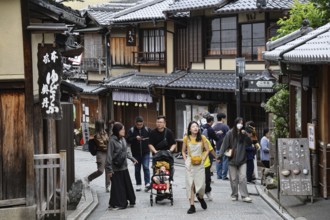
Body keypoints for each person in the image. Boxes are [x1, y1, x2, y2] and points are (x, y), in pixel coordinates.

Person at [218, 117, 252, 203]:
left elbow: (249, 143)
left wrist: (246, 135)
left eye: (242, 123)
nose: (240, 124)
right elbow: (224, 144)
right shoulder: (230, 133)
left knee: (243, 178)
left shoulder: (243, 134)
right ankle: (234, 194)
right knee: (233, 179)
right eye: (239, 123)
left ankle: (244, 196)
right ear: (235, 123)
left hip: (242, 159)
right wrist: (220, 156)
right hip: (232, 159)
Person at [106, 122, 138, 210]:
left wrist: (132, 158)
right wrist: (109, 170)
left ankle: (129, 200)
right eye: (122, 129)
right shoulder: (112, 141)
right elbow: (109, 156)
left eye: (124, 129)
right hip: (115, 167)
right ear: (117, 131)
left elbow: (126, 151)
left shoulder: (123, 139)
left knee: (126, 184)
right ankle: (118, 203)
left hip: (123, 166)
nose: (124, 131)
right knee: (117, 187)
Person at [182, 121, 209, 214]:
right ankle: (192, 206)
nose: (195, 128)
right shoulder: (186, 138)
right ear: (190, 129)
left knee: (201, 186)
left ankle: (200, 197)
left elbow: (207, 150)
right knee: (190, 184)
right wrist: (186, 160)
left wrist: (203, 159)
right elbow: (183, 151)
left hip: (200, 163)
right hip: (190, 163)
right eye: (193, 126)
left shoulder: (202, 138)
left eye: (196, 126)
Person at [84, 119, 111, 192]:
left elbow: (108, 142)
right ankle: (88, 178)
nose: (104, 126)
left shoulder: (105, 132)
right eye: (102, 124)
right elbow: (102, 145)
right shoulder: (96, 135)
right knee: (100, 171)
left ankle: (108, 186)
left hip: (107, 152)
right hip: (100, 153)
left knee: (108, 169)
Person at [126, 116, 151, 192]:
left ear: (143, 123)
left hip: (146, 152)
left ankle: (147, 183)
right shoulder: (132, 130)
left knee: (146, 167)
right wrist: (135, 138)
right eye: (138, 125)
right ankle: (138, 184)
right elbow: (127, 140)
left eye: (140, 124)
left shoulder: (147, 130)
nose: (139, 126)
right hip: (135, 153)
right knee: (137, 169)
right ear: (135, 124)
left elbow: (152, 138)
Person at [213, 113, 230, 180]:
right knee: (225, 161)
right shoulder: (225, 127)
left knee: (218, 160)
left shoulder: (214, 127)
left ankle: (219, 175)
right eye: (224, 118)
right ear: (222, 118)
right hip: (226, 147)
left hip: (217, 146)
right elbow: (229, 136)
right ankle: (224, 176)